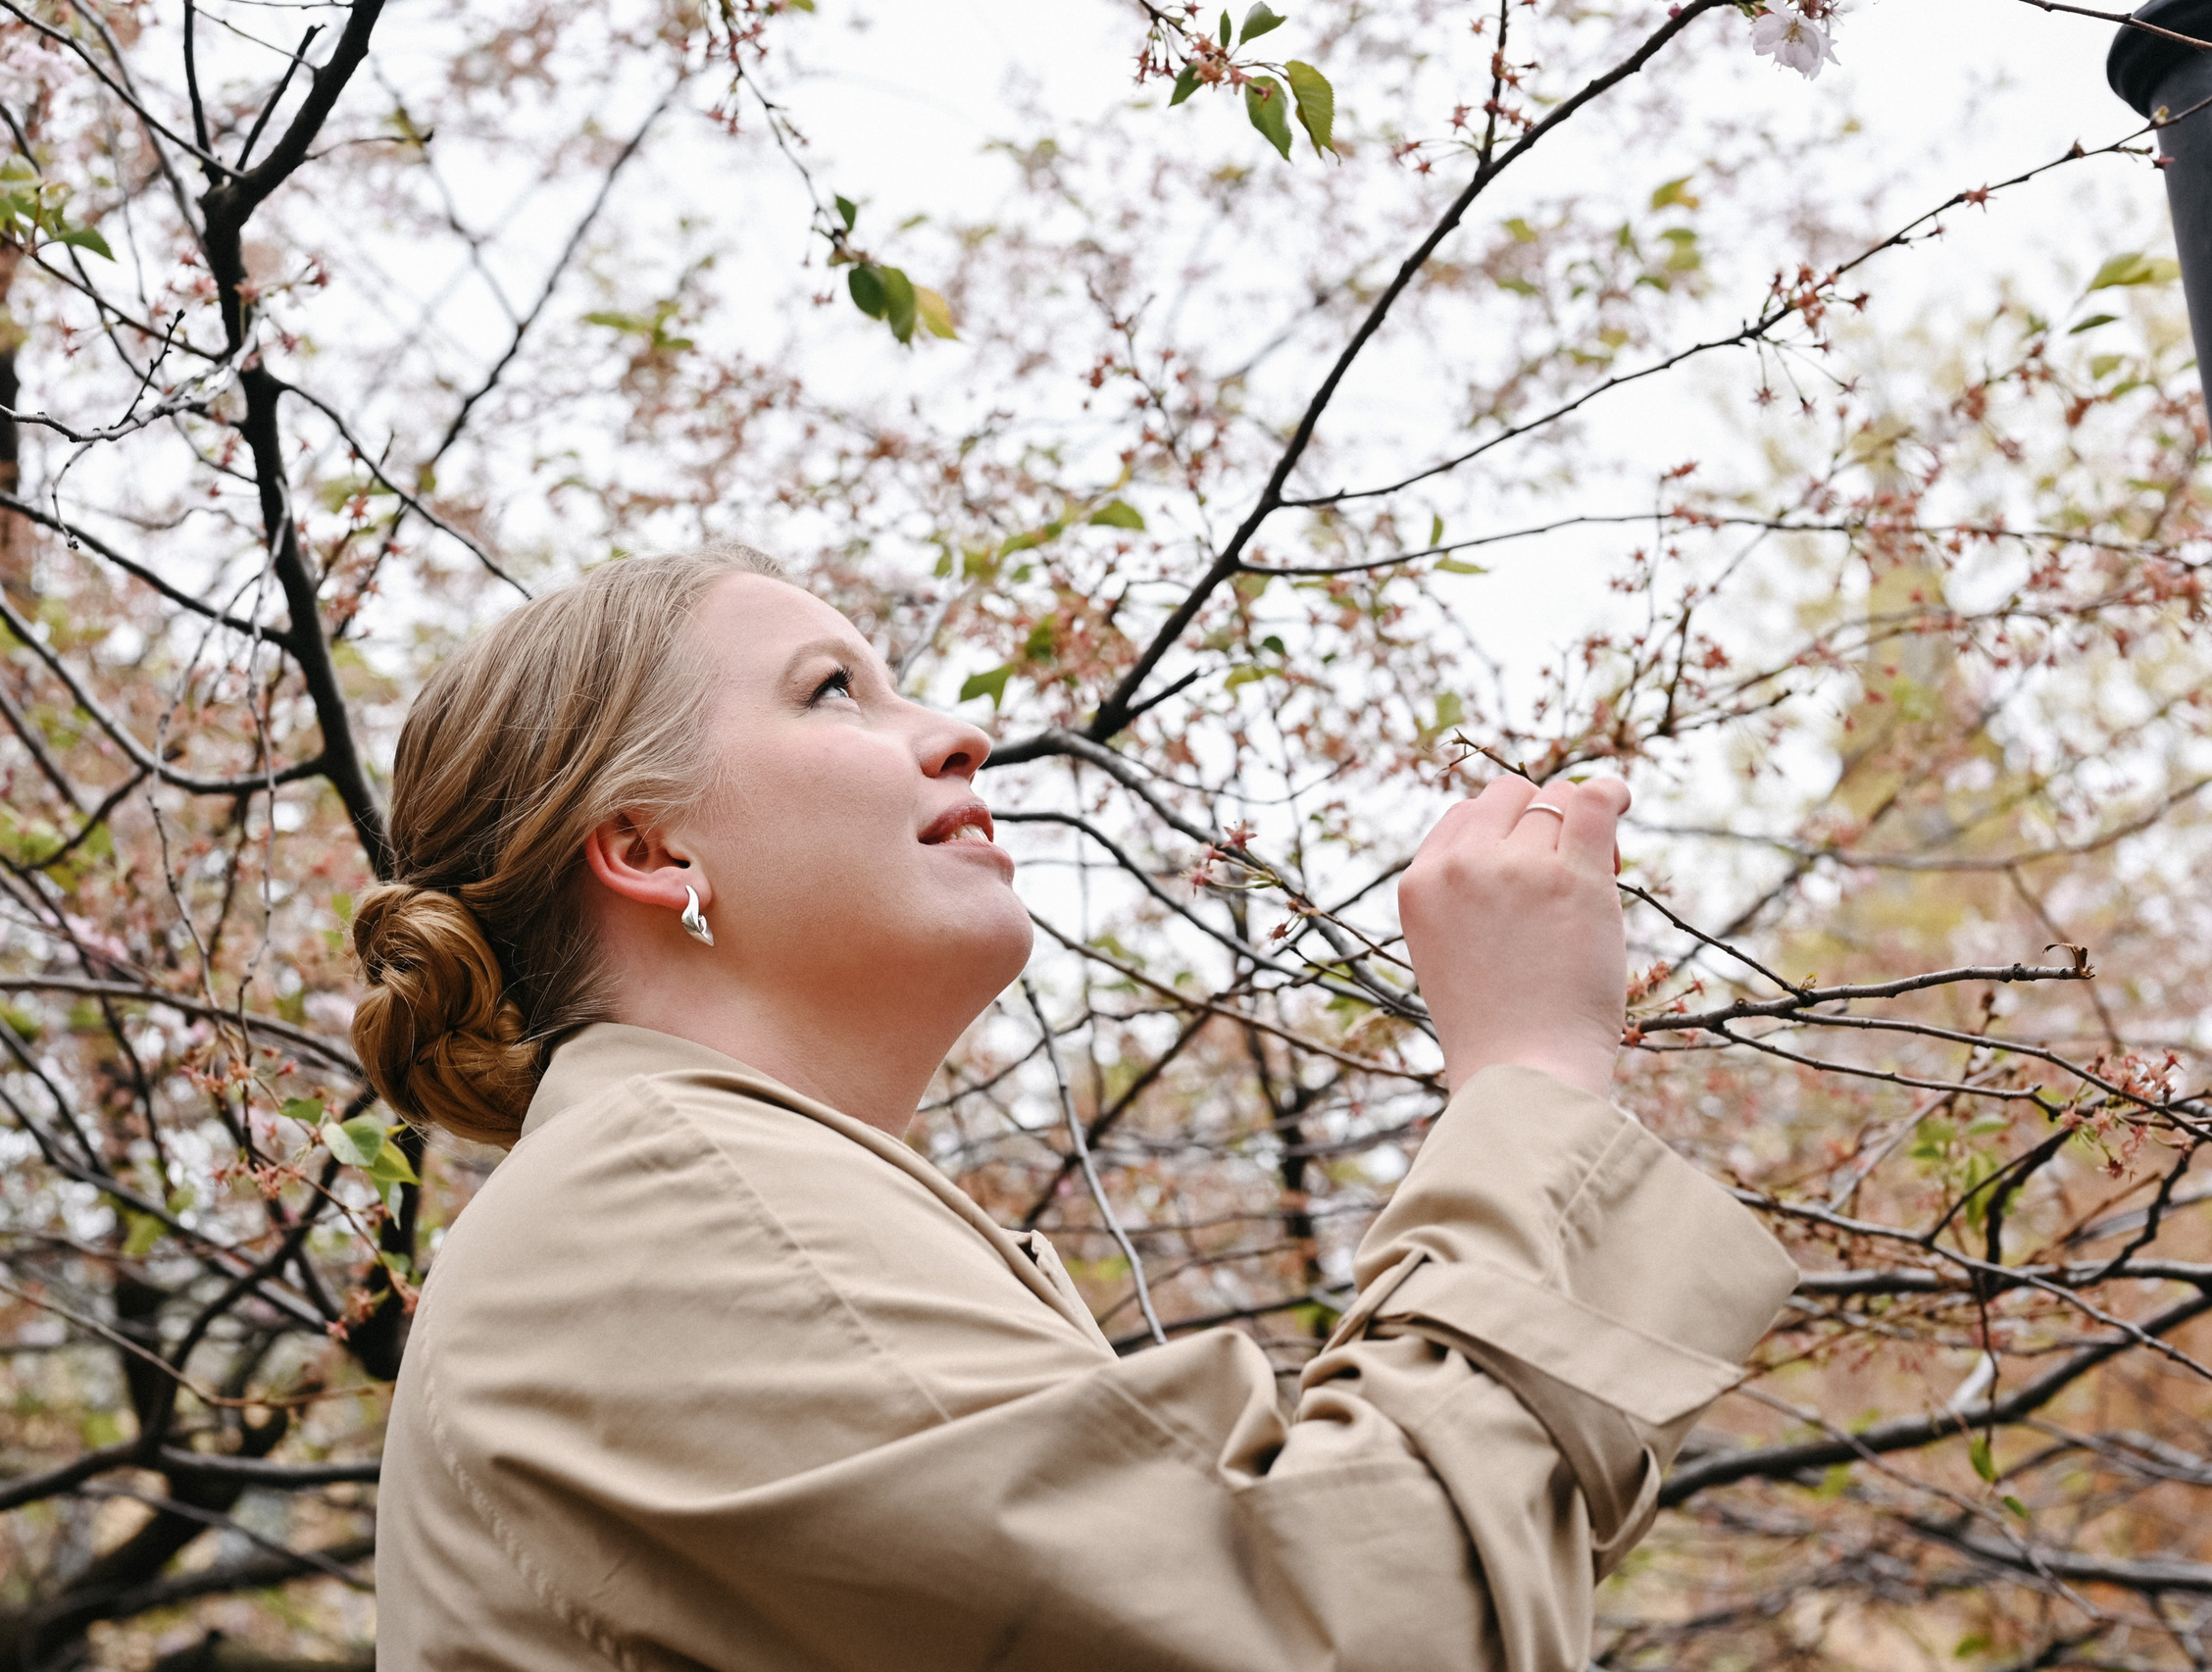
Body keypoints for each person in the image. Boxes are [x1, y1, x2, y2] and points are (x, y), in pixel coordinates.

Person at [357, 542, 1794, 1671]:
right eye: (832, 689)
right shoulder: (661, 1204)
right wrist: (1532, 1071)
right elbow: (1361, 1627)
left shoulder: (699, 1200)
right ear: (647, 845)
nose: (960, 733)